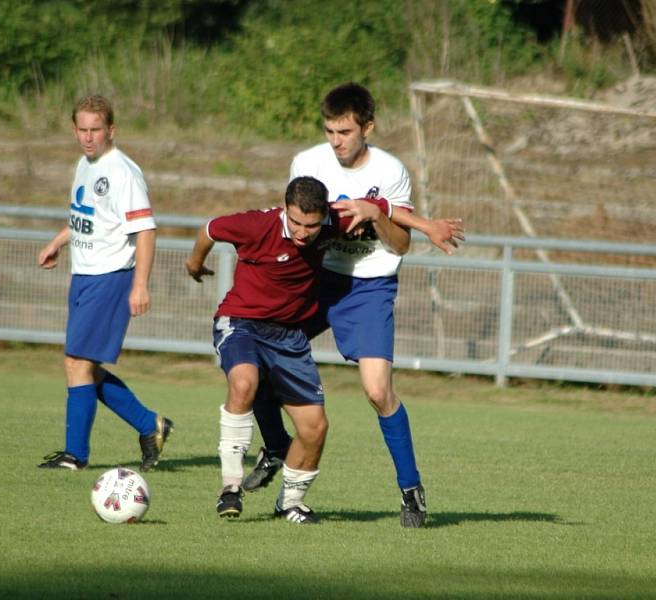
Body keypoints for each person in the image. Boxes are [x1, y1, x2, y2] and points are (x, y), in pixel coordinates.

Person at [246, 82, 464, 528]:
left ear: (368, 127)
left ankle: (411, 490)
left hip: (367, 287)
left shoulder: (391, 169)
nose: (335, 141)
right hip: (314, 278)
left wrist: (377, 214)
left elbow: (400, 246)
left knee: (378, 390)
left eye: (344, 131)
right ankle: (275, 447)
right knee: (251, 356)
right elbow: (297, 220)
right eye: (329, 130)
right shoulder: (306, 162)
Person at [185, 176, 391, 524]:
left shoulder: (336, 221)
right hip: (241, 322)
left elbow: (386, 209)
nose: (302, 232)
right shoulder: (255, 225)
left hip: (290, 337)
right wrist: (194, 263)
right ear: (285, 209)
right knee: (244, 383)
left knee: (315, 428)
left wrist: (425, 224)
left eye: (311, 225)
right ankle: (230, 488)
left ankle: (290, 503)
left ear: (324, 215)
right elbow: (209, 228)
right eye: (295, 222)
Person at [36, 94, 172, 472]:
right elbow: (86, 216)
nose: (89, 137)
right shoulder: (84, 164)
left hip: (111, 277)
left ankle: (75, 455)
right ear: (74, 130)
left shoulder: (122, 172)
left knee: (77, 363)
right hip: (84, 275)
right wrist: (57, 242)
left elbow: (145, 230)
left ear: (111, 129)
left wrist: (140, 285)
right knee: (84, 366)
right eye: (82, 129)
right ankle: (150, 424)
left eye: (96, 129)